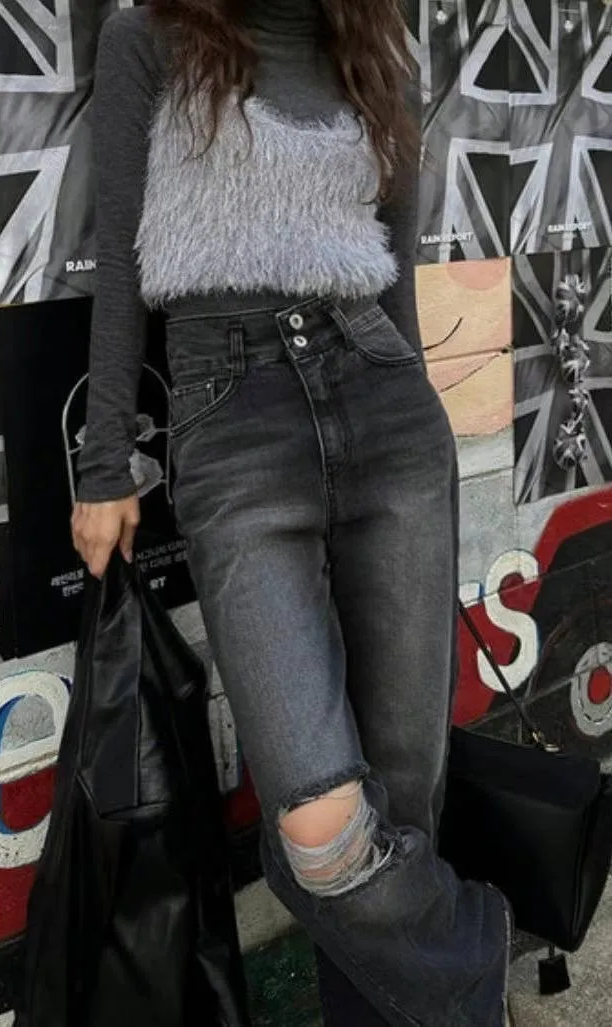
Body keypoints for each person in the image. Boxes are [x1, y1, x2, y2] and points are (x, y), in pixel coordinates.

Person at [71, 1, 513, 1023]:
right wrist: (103, 464)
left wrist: (414, 416)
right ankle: (477, 947)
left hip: (385, 408)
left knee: (403, 796)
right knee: (326, 832)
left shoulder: (378, 50)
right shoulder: (149, 40)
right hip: (233, 422)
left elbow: (395, 275)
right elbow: (120, 264)